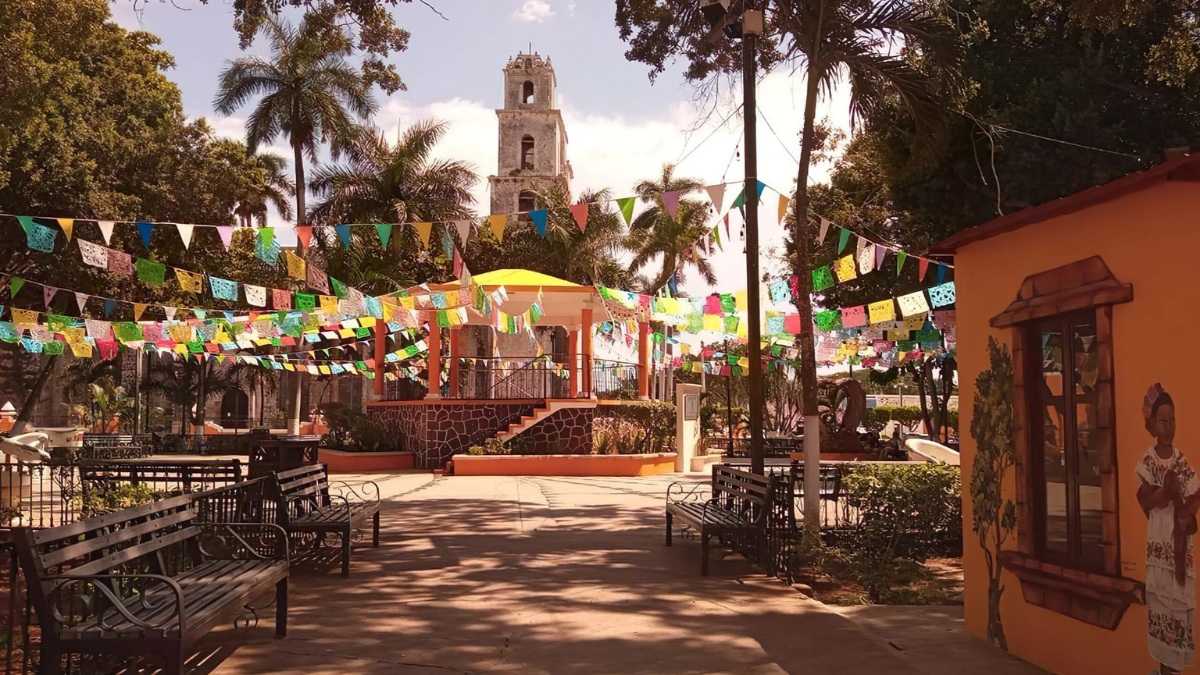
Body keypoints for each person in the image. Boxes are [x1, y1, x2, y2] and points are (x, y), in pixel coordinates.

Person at [1137, 384, 1200, 674]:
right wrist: (1165, 493)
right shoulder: (1148, 461)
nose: (1169, 426)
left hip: (1179, 552)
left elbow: (1196, 492)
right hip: (1159, 554)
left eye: (1172, 420)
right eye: (1163, 420)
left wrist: (1188, 513)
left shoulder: (1181, 460)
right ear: (1152, 424)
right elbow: (1146, 500)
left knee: (1178, 614)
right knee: (1162, 611)